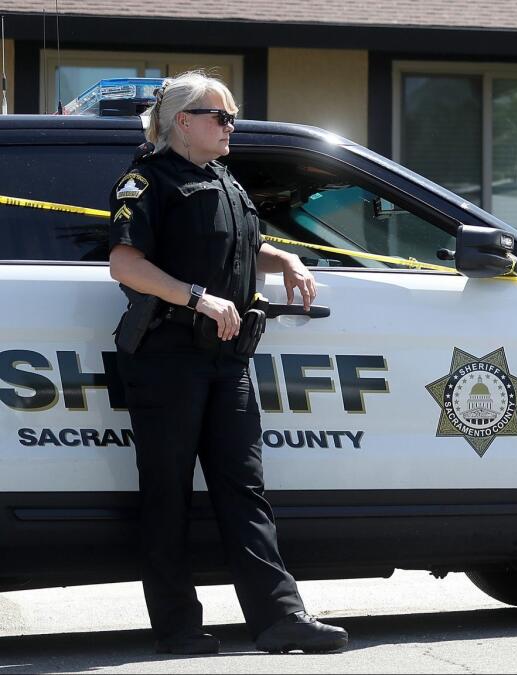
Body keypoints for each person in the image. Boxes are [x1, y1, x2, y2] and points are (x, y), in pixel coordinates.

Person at [107, 71, 349, 655]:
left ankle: (279, 618)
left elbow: (237, 245)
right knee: (167, 493)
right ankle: (177, 626)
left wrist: (283, 257)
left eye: (232, 117)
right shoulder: (148, 181)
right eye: (220, 116)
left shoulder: (223, 179)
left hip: (226, 362)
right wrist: (198, 297)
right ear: (182, 122)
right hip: (168, 358)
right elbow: (125, 264)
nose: (230, 126)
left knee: (244, 488)